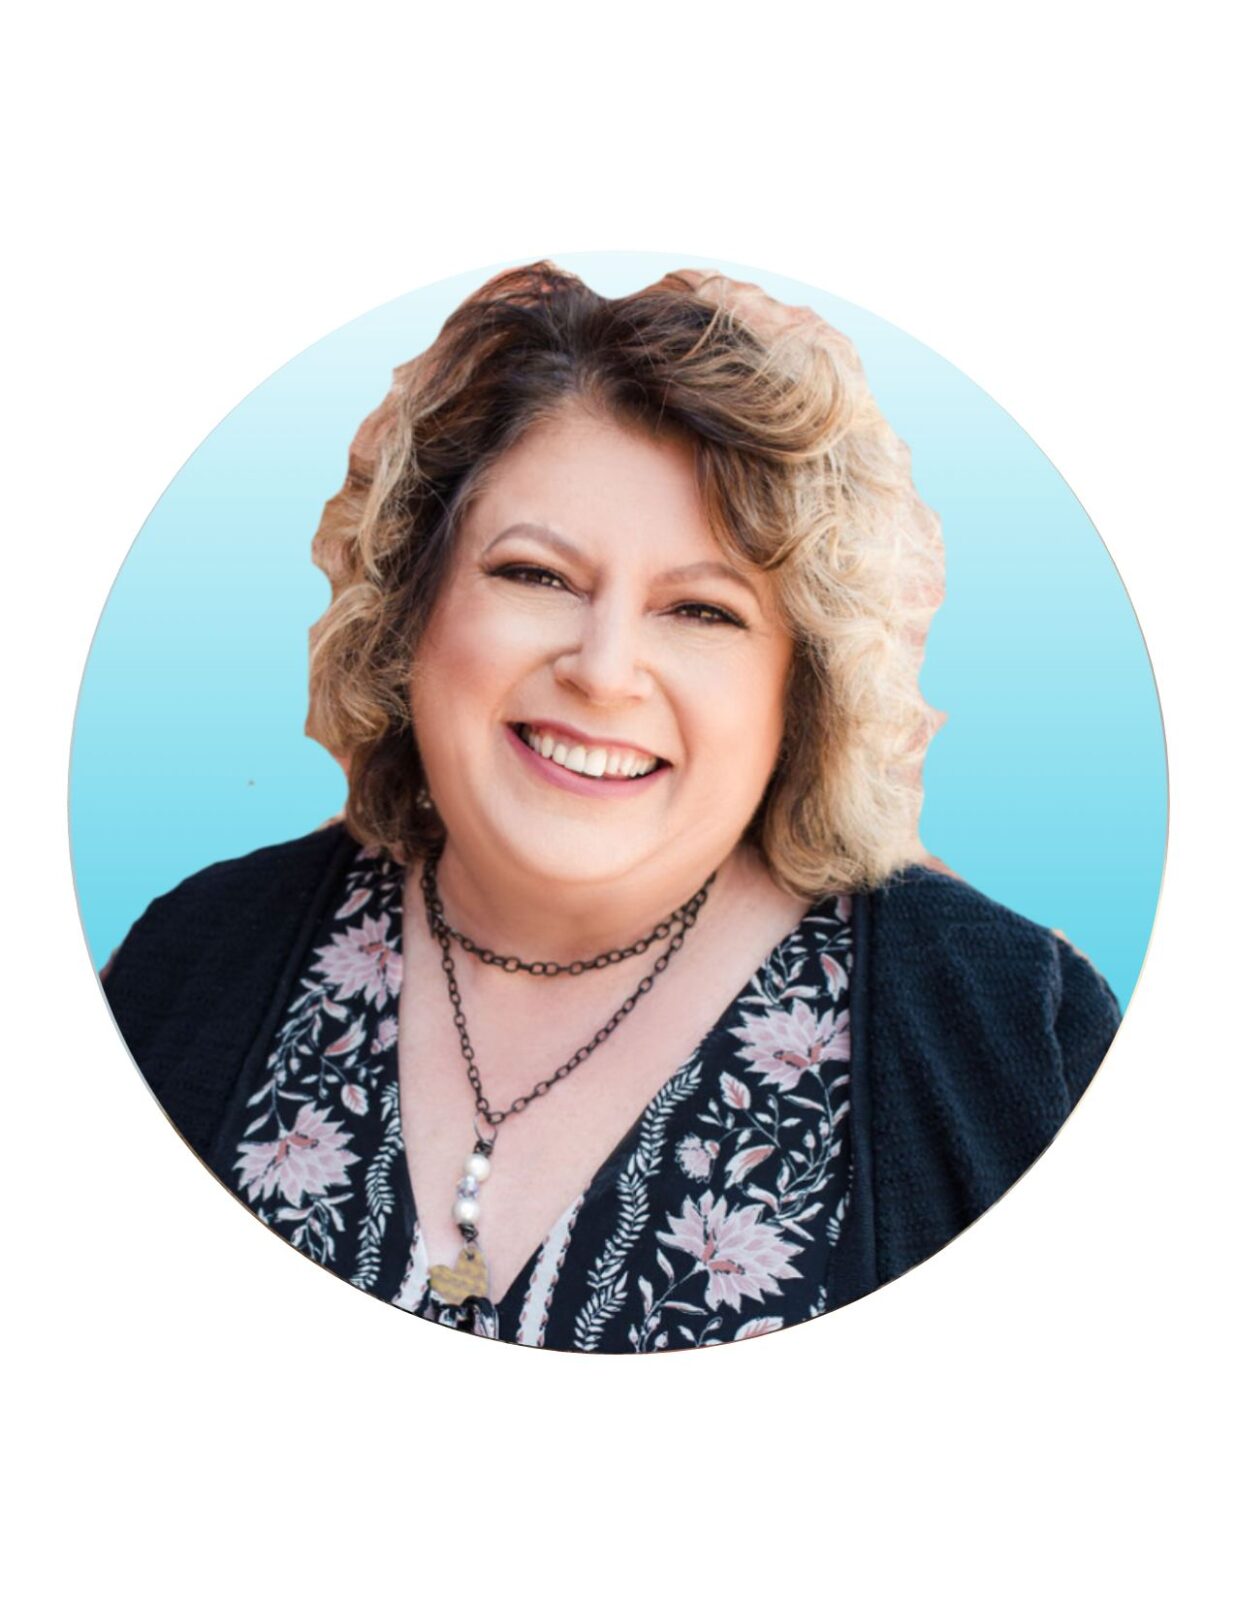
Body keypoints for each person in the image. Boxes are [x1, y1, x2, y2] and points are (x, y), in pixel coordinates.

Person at [102, 262, 1121, 1352]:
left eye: (702, 609)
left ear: (800, 686)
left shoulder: (1022, 1035)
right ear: (412, 606)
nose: (603, 669)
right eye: (536, 576)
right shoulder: (185, 961)